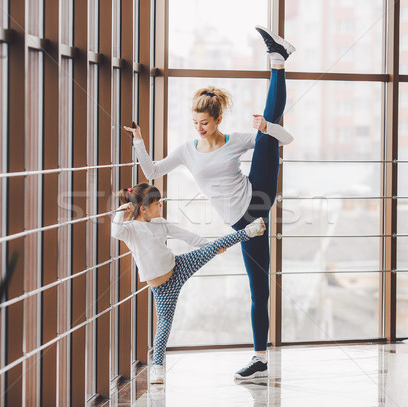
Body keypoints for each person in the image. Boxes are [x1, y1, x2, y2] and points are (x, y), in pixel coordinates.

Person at [123, 26, 295, 380]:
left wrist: (267, 128)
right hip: (244, 224)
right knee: (258, 288)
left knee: (268, 127)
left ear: (218, 119)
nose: (199, 128)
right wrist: (139, 140)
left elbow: (287, 138)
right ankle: (260, 359)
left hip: (257, 196)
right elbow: (153, 169)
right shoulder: (188, 150)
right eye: (195, 122)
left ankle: (277, 60)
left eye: (204, 122)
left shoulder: (235, 141)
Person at [110, 182, 266, 384]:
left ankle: (250, 231)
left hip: (179, 266)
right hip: (163, 288)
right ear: (144, 208)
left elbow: (188, 236)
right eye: (158, 203)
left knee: (215, 245)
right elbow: (115, 231)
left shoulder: (161, 223)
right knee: (164, 325)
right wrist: (121, 211)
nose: (161, 206)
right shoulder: (130, 229)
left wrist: (209, 247)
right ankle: (157, 369)